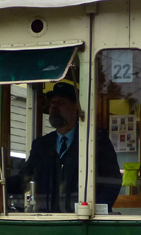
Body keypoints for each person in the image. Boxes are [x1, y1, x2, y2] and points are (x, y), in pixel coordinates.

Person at [7, 81, 121, 212]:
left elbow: (112, 181)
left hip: (83, 221)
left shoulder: (96, 140)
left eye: (61, 102)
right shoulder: (41, 145)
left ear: (76, 108)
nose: (54, 107)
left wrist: (96, 213)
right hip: (48, 223)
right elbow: (24, 179)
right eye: (52, 103)